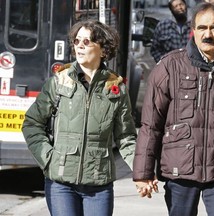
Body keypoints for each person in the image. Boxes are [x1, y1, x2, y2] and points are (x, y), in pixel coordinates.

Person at [133, 2, 214, 216]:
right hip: (179, 171)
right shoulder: (169, 67)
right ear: (193, 30)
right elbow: (151, 125)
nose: (208, 34)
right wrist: (143, 173)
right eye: (202, 28)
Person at [22, 20, 136, 216]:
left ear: (103, 50)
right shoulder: (59, 82)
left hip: (98, 185)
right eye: (76, 41)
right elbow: (32, 124)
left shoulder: (116, 88)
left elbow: (126, 137)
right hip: (60, 184)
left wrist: (142, 172)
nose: (80, 45)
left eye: (87, 41)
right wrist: (48, 159)